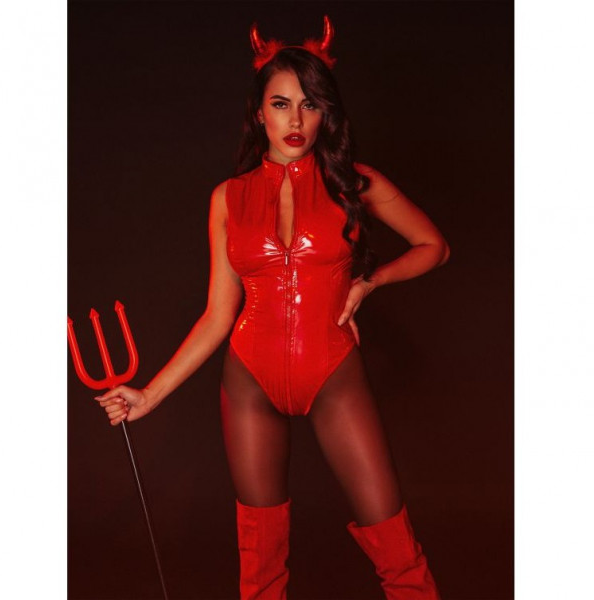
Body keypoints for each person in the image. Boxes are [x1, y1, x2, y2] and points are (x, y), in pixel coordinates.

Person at [95, 16, 449, 600]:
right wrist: (148, 397)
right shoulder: (228, 198)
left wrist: (369, 282)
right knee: (259, 563)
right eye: (281, 105)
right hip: (249, 382)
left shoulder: (353, 184)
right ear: (259, 113)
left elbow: (434, 246)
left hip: (333, 373)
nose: (295, 121)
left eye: (310, 105)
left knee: (396, 547)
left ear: (325, 114)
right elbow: (218, 314)